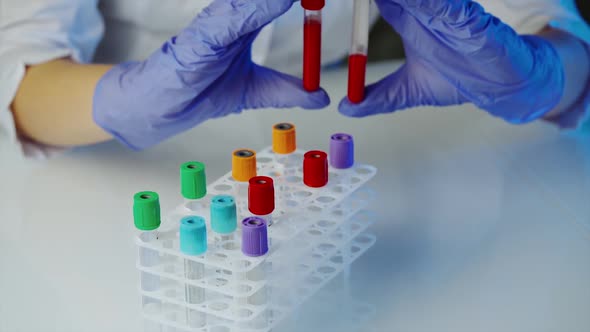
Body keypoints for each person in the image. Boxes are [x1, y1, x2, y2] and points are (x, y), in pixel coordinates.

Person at [1, 0, 589, 156]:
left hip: (335, 121)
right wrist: (123, 101)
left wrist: (544, 75)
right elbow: (22, 70)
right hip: (106, 158)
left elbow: (559, 35)